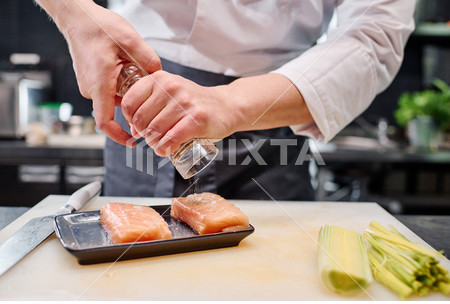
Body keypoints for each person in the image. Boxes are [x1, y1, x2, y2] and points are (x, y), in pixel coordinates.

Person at [36, 0, 415, 200]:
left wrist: (231, 105)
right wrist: (73, 12)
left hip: (286, 96)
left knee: (273, 274)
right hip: (153, 93)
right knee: (141, 279)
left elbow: (374, 34)